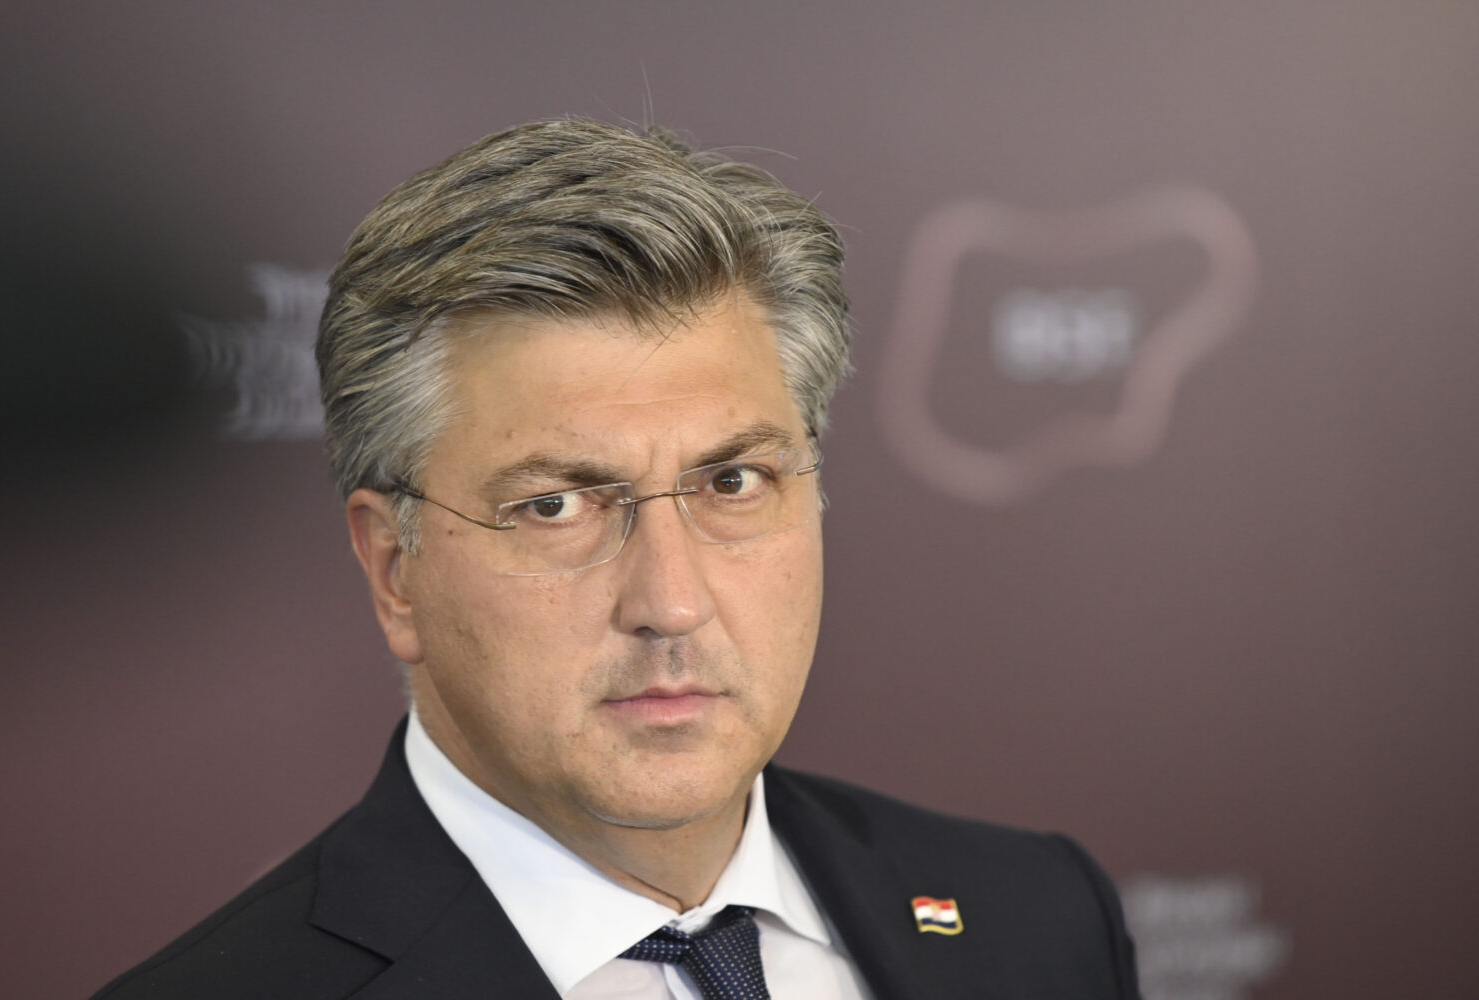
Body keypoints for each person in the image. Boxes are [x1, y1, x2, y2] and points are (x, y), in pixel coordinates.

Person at [93, 119, 1140, 999]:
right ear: (393, 569)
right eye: (556, 506)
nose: (671, 603)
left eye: (732, 481)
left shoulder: (1038, 917)